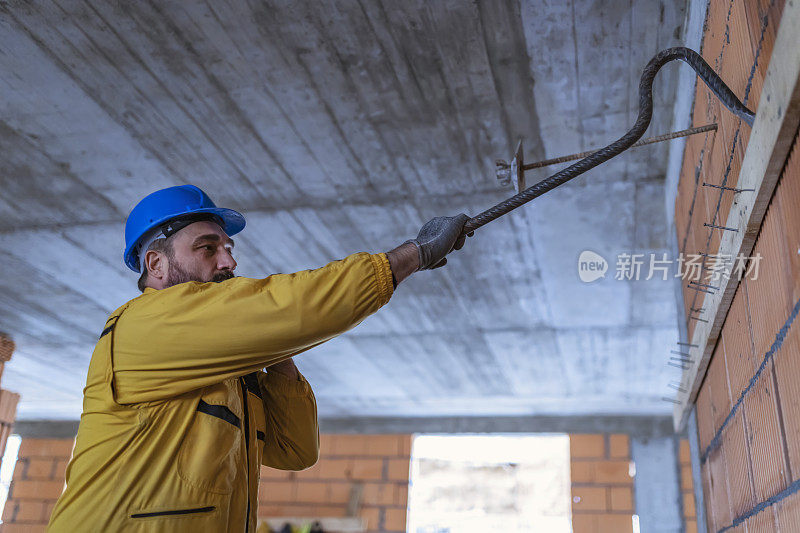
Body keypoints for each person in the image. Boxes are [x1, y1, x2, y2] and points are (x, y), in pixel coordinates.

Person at [47, 184, 470, 532]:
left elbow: (294, 451)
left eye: (228, 248)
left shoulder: (223, 371)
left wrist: (274, 349)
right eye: (208, 248)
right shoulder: (142, 325)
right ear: (156, 264)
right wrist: (413, 254)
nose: (229, 261)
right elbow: (292, 308)